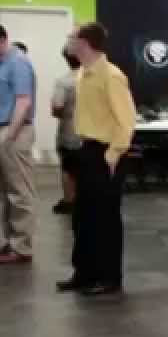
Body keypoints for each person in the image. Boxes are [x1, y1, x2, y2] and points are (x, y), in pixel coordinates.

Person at [61, 23, 135, 296]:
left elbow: (126, 120)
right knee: (83, 217)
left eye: (72, 37)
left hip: (105, 153)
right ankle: (84, 273)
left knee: (105, 219)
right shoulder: (83, 73)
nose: (68, 41)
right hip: (87, 149)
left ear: (85, 42)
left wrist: (113, 154)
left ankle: (108, 277)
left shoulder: (112, 76)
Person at [0, 27, 36, 265]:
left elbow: (24, 102)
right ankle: (7, 242)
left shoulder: (18, 63)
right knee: (4, 192)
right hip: (3, 129)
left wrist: (9, 136)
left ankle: (22, 247)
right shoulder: (3, 63)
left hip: (14, 131)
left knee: (19, 191)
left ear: (2, 40)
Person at [51, 49, 81, 215]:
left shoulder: (64, 82)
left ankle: (69, 201)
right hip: (93, 133)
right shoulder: (96, 78)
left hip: (70, 131)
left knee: (68, 167)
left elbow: (57, 106)